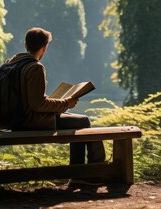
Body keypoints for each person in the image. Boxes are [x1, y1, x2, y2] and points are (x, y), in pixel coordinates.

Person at [7, 27, 106, 166]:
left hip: (17, 119)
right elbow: (38, 104)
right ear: (44, 47)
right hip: (29, 121)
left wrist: (60, 104)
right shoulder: (35, 67)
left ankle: (80, 174)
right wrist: (66, 102)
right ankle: (97, 168)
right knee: (83, 121)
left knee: (76, 122)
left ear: (26, 45)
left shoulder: (14, 63)